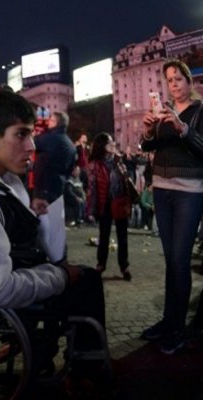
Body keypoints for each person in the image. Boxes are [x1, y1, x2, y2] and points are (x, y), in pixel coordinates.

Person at [0, 90, 105, 378]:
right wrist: (60, 276)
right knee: (86, 281)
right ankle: (86, 373)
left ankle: (58, 360)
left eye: (31, 134)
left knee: (84, 278)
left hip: (21, 266)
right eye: (21, 134)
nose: (32, 145)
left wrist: (28, 211)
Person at [140, 59, 203, 355]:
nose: (174, 84)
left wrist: (182, 129)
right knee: (171, 262)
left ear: (189, 82)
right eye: (169, 80)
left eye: (178, 78)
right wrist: (149, 131)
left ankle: (178, 330)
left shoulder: (200, 111)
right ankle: (168, 322)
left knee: (180, 262)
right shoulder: (162, 110)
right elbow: (148, 148)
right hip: (163, 192)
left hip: (189, 192)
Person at [31, 111, 77, 263]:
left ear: (56, 122)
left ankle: (48, 261)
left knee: (42, 228)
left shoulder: (49, 139)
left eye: (51, 120)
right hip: (59, 189)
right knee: (57, 228)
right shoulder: (71, 145)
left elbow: (31, 143)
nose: (48, 122)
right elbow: (70, 169)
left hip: (43, 187)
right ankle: (62, 260)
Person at [86, 133, 132, 282]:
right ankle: (101, 264)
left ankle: (124, 266)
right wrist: (91, 210)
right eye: (109, 143)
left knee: (122, 237)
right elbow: (92, 190)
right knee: (104, 236)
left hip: (120, 202)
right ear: (102, 147)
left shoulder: (119, 161)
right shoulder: (95, 164)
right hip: (104, 204)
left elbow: (125, 181)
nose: (113, 145)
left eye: (113, 143)